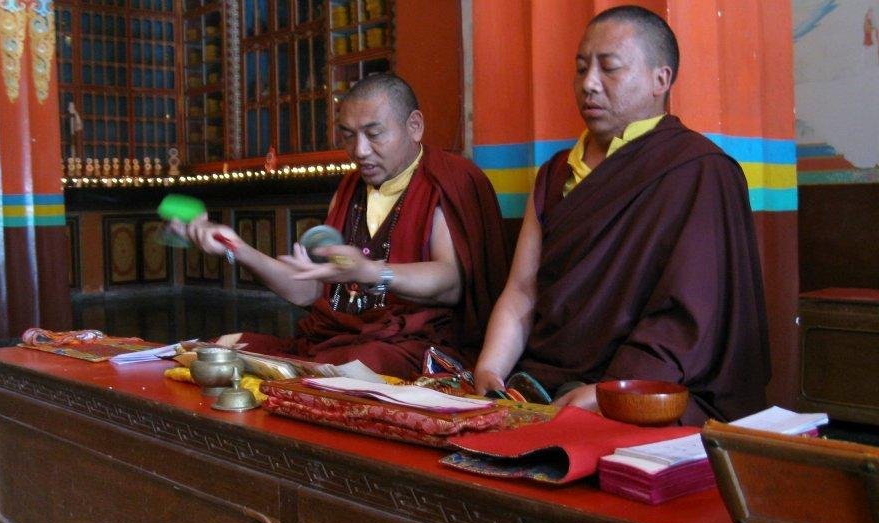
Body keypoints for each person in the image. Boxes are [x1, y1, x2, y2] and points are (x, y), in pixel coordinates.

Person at [473, 5, 770, 425]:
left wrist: (609, 391)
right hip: (543, 381)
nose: (589, 84)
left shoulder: (699, 170)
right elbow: (522, 290)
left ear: (660, 79)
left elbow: (688, 321)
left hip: (645, 386)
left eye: (609, 68)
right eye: (581, 69)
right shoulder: (556, 173)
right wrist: (491, 369)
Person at [185, 73, 508, 379]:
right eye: (348, 135)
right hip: (338, 339)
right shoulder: (350, 189)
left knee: (352, 367)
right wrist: (238, 248)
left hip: (413, 345)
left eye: (374, 134)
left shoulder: (446, 180)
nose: (360, 151)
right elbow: (311, 290)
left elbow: (452, 282)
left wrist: (371, 272)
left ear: (414, 126)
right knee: (222, 349)